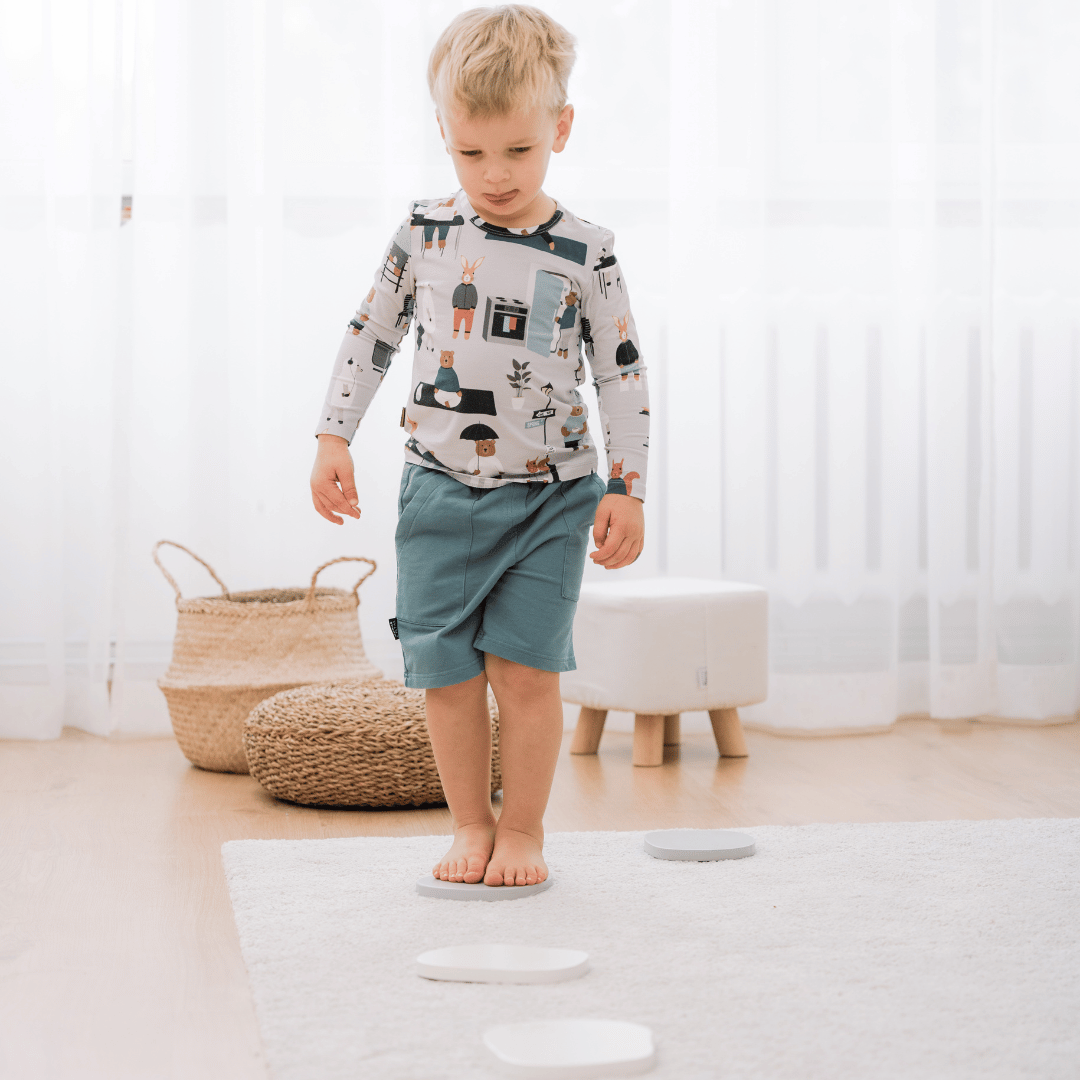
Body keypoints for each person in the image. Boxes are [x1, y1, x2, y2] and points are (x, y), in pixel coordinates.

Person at [309, 4, 649, 888]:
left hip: (550, 496)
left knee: (525, 670)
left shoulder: (587, 252)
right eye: (471, 154)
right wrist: (332, 435)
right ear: (443, 134)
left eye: (518, 152)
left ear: (560, 130)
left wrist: (628, 486)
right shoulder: (423, 233)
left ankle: (526, 830)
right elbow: (368, 334)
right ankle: (471, 820)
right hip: (438, 491)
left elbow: (620, 376)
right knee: (449, 673)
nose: (495, 176)